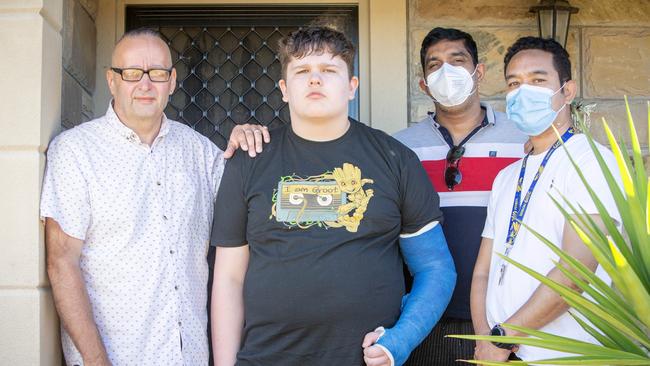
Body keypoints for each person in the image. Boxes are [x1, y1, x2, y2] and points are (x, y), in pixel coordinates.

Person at [210, 26, 456, 366]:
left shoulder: (395, 159)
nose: (314, 80)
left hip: (364, 359)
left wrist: (400, 340)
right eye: (301, 71)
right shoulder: (248, 160)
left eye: (328, 70)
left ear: (352, 86)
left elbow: (435, 268)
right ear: (284, 89)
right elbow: (228, 277)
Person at [40, 28, 269, 365]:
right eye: (132, 73)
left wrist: (246, 142)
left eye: (158, 73)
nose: (145, 84)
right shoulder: (75, 152)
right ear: (112, 80)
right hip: (114, 357)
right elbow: (62, 263)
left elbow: (251, 212)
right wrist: (96, 360)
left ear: (172, 81)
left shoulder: (200, 152)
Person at [471, 36, 621, 362]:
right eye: (514, 83)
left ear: (567, 91)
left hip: (560, 356)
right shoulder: (507, 176)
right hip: (498, 351)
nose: (523, 92)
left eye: (538, 80)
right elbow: (483, 270)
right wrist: (485, 338)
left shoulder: (592, 162)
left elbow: (577, 270)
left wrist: (500, 339)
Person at [393, 27, 527, 364]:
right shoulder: (398, 149)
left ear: (478, 72)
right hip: (424, 321)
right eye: (434, 65)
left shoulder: (525, 140)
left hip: (506, 323)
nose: (446, 72)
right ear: (424, 84)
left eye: (457, 61)